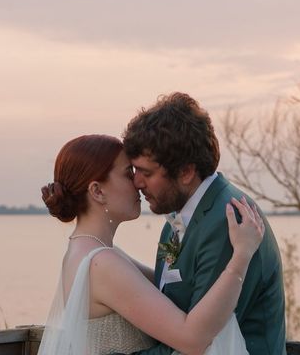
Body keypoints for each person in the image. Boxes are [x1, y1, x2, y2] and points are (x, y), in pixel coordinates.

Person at [39, 134, 264, 355]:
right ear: (97, 191)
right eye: (129, 173)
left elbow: (167, 287)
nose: (138, 182)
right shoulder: (101, 263)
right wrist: (241, 256)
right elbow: (192, 340)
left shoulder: (93, 252)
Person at [122, 93, 286, 355]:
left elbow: (199, 342)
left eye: (147, 173)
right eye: (134, 171)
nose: (137, 182)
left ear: (186, 172)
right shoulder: (177, 220)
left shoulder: (228, 221)